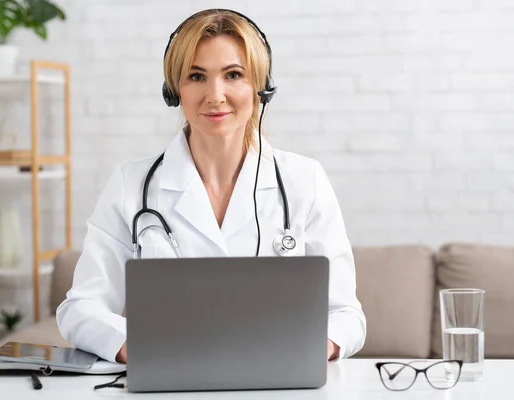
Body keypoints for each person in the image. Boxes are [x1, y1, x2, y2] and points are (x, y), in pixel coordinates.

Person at [56, 9, 366, 364]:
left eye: (233, 75)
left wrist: (315, 346)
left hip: (275, 382)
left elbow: (346, 314)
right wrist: (140, 347)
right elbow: (81, 308)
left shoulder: (304, 180)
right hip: (170, 376)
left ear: (261, 88)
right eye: (196, 76)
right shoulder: (131, 185)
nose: (215, 95)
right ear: (174, 91)